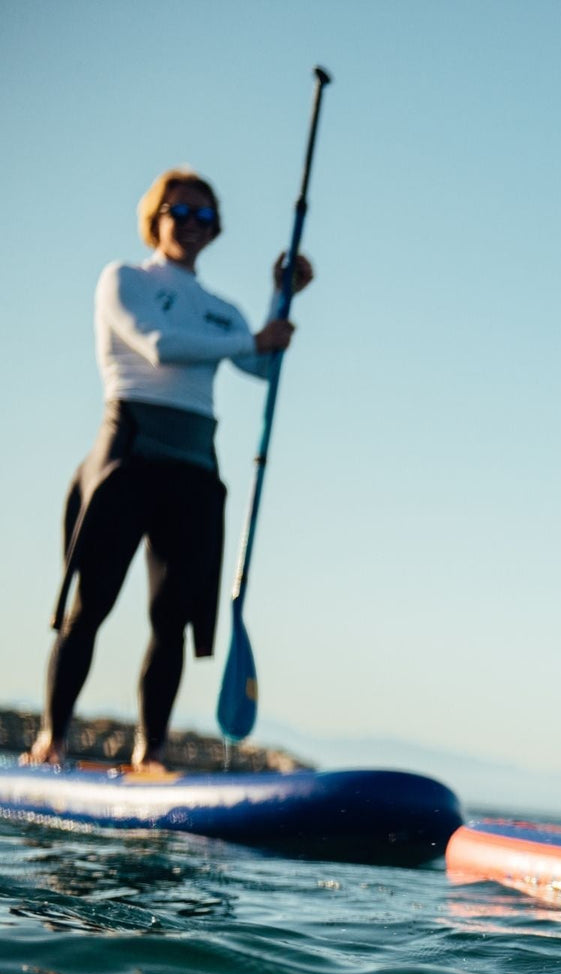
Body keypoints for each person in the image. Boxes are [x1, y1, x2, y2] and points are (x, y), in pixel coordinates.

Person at [21, 167, 313, 771]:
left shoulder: (221, 310)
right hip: (128, 454)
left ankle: (150, 752)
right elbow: (158, 345)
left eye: (204, 216)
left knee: (172, 619)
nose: (191, 224)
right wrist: (254, 340)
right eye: (179, 212)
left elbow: (263, 366)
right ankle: (53, 740)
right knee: (92, 605)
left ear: (216, 229)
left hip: (193, 468)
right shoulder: (125, 279)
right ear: (154, 218)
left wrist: (280, 298)